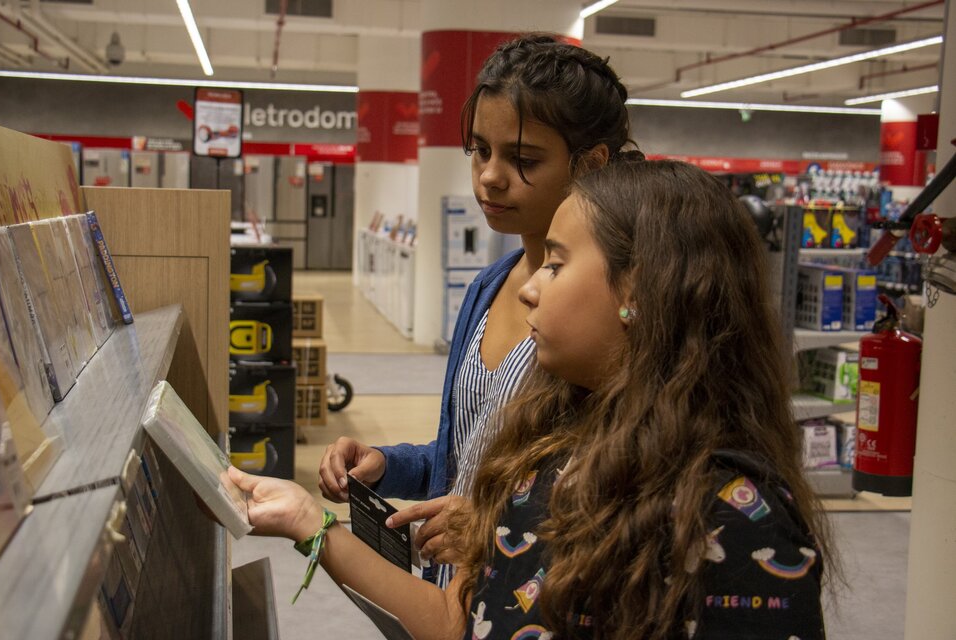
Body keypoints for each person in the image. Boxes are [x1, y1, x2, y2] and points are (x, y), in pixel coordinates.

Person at [228, 157, 834, 639]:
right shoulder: (541, 454)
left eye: (555, 265)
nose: (528, 290)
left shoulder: (733, 519)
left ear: (638, 291)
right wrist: (308, 522)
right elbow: (454, 620)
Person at [318, 34, 637, 575]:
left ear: (590, 163)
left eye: (523, 158)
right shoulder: (488, 286)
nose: (490, 175)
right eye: (480, 151)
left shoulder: (607, 314)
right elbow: (464, 460)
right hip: (452, 591)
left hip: (533, 598)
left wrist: (501, 527)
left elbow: (628, 495)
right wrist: (387, 465)